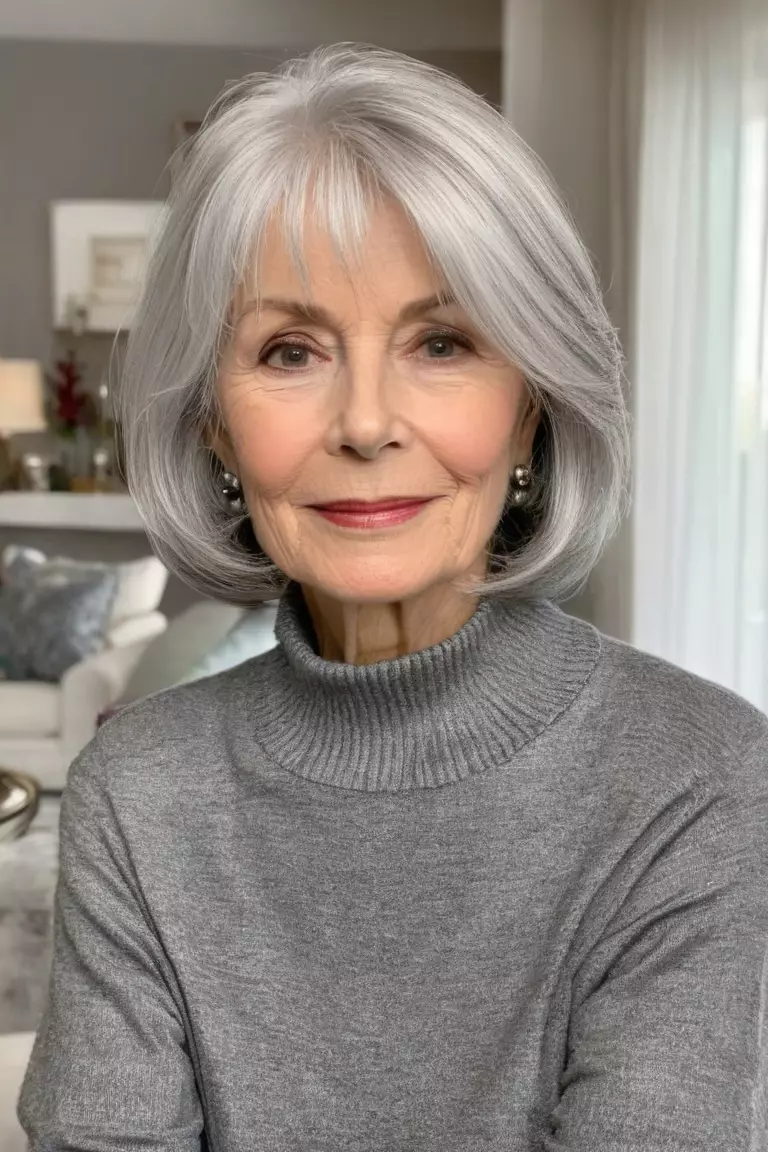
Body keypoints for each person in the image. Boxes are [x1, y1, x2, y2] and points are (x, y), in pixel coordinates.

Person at [18, 44, 768, 1152]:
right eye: (289, 351)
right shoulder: (137, 796)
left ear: (531, 406)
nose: (366, 424)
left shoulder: (699, 778)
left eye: (442, 341)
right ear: (213, 423)